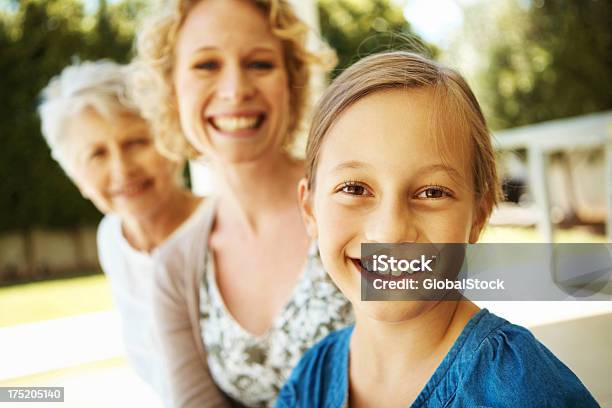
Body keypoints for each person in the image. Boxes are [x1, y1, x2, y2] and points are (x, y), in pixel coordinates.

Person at [277, 51, 598, 407]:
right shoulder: (310, 379)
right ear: (309, 209)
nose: (390, 232)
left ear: (479, 214)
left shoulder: (522, 390)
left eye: (432, 192)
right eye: (354, 188)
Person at [132, 0, 353, 406]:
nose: (235, 90)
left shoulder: (360, 192)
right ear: (171, 88)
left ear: (291, 80)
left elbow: (466, 302)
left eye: (259, 64)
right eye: (206, 65)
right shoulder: (175, 271)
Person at [38, 60, 209, 407]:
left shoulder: (223, 225)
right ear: (76, 176)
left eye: (135, 143)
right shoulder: (112, 239)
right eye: (97, 154)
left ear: (170, 146)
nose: (122, 169)